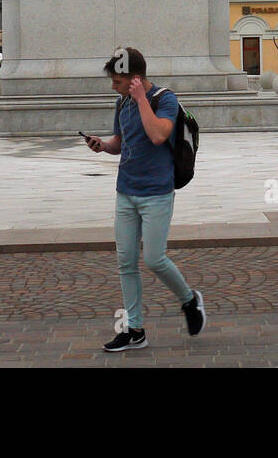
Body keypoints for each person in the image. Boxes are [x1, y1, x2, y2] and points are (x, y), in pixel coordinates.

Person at [82, 46, 204, 352]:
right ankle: (134, 329)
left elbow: (158, 135)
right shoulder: (122, 102)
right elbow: (121, 143)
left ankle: (189, 301)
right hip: (126, 192)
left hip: (156, 193)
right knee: (125, 263)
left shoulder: (164, 98)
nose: (113, 85)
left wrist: (140, 100)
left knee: (153, 258)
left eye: (118, 81)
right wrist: (103, 146)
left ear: (134, 79)